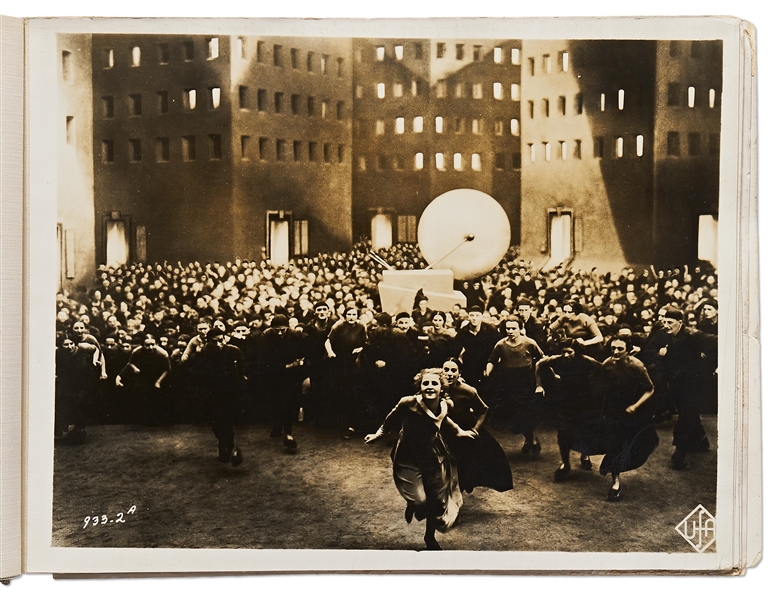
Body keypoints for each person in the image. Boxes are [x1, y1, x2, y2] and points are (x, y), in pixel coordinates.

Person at [365, 368, 474, 550]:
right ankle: (414, 504)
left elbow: (443, 421)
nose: (430, 387)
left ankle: (429, 537)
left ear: (441, 388)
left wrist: (459, 432)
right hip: (408, 455)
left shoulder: (444, 405)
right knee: (420, 501)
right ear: (419, 387)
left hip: (434, 454)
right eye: (426, 383)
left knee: (436, 501)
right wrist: (379, 433)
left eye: (434, 383)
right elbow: (390, 419)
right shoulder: (408, 403)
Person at [596, 336, 658, 501]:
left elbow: (650, 389)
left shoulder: (637, 366)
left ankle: (622, 467)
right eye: (613, 348)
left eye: (620, 349)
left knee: (638, 443)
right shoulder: (607, 364)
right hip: (613, 411)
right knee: (614, 445)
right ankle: (615, 483)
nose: (615, 352)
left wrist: (636, 406)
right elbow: (600, 387)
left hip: (633, 411)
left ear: (628, 350)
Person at [440, 359, 513, 494]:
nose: (449, 374)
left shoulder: (468, 390)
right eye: (446, 370)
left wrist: (475, 429)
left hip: (464, 428)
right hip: (442, 428)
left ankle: (462, 488)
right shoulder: (435, 387)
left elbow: (483, 410)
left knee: (472, 460)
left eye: (453, 370)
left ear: (459, 373)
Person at [535, 338, 604, 480]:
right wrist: (539, 384)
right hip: (564, 401)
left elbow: (603, 369)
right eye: (563, 352)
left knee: (585, 429)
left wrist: (596, 389)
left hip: (584, 401)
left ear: (576, 352)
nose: (566, 355)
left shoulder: (585, 360)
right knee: (563, 432)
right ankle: (565, 463)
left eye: (569, 352)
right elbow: (539, 364)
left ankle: (585, 456)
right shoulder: (558, 359)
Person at [658, 308, 717, 470]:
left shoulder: (693, 335)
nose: (666, 325)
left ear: (680, 322)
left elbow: (718, 342)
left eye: (670, 322)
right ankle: (701, 442)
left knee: (685, 414)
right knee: (688, 413)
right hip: (677, 383)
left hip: (695, 383)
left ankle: (680, 451)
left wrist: (712, 365)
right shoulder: (666, 334)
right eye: (665, 322)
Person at [484, 316, 544, 453]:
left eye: (513, 328)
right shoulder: (500, 345)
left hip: (526, 382)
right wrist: (488, 370)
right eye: (508, 328)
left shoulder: (529, 343)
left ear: (520, 329)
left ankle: (531, 439)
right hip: (508, 383)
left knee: (526, 413)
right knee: (514, 414)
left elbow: (542, 360)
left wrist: (541, 381)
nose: (510, 331)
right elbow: (492, 360)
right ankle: (529, 438)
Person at [198, 329, 245, 466]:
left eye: (221, 340)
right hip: (212, 393)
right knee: (216, 423)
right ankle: (224, 444)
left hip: (230, 392)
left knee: (228, 422)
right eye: (214, 341)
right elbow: (200, 376)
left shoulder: (233, 351)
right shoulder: (203, 354)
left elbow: (241, 370)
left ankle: (228, 446)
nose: (219, 344)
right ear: (208, 341)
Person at [55, 334, 100, 444]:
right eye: (66, 345)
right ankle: (63, 428)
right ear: (61, 346)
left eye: (71, 344)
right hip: (67, 383)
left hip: (83, 382)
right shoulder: (58, 353)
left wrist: (95, 361)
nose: (70, 346)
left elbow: (96, 349)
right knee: (62, 400)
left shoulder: (83, 348)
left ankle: (79, 429)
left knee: (79, 402)